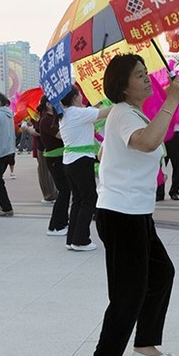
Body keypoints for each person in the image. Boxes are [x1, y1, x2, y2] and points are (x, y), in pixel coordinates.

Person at [88, 54, 179, 356]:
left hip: (136, 213)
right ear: (123, 86)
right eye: (139, 75)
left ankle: (145, 344)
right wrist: (172, 100)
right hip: (122, 214)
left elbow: (110, 152)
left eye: (146, 73)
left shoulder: (130, 114)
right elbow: (146, 143)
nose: (147, 79)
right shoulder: (122, 113)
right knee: (128, 289)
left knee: (161, 275)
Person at [59, 87, 110, 250]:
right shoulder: (77, 113)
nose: (82, 96)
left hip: (70, 161)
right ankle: (81, 239)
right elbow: (104, 113)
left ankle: (72, 238)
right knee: (89, 199)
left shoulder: (67, 113)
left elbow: (92, 114)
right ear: (75, 97)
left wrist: (98, 104)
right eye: (80, 94)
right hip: (81, 161)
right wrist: (122, 102)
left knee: (78, 200)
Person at [35, 98, 69, 236]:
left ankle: (62, 221)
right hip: (55, 158)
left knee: (66, 191)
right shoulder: (46, 120)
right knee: (64, 191)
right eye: (56, 102)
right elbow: (61, 135)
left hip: (60, 157)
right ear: (48, 104)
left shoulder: (53, 118)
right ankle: (55, 226)